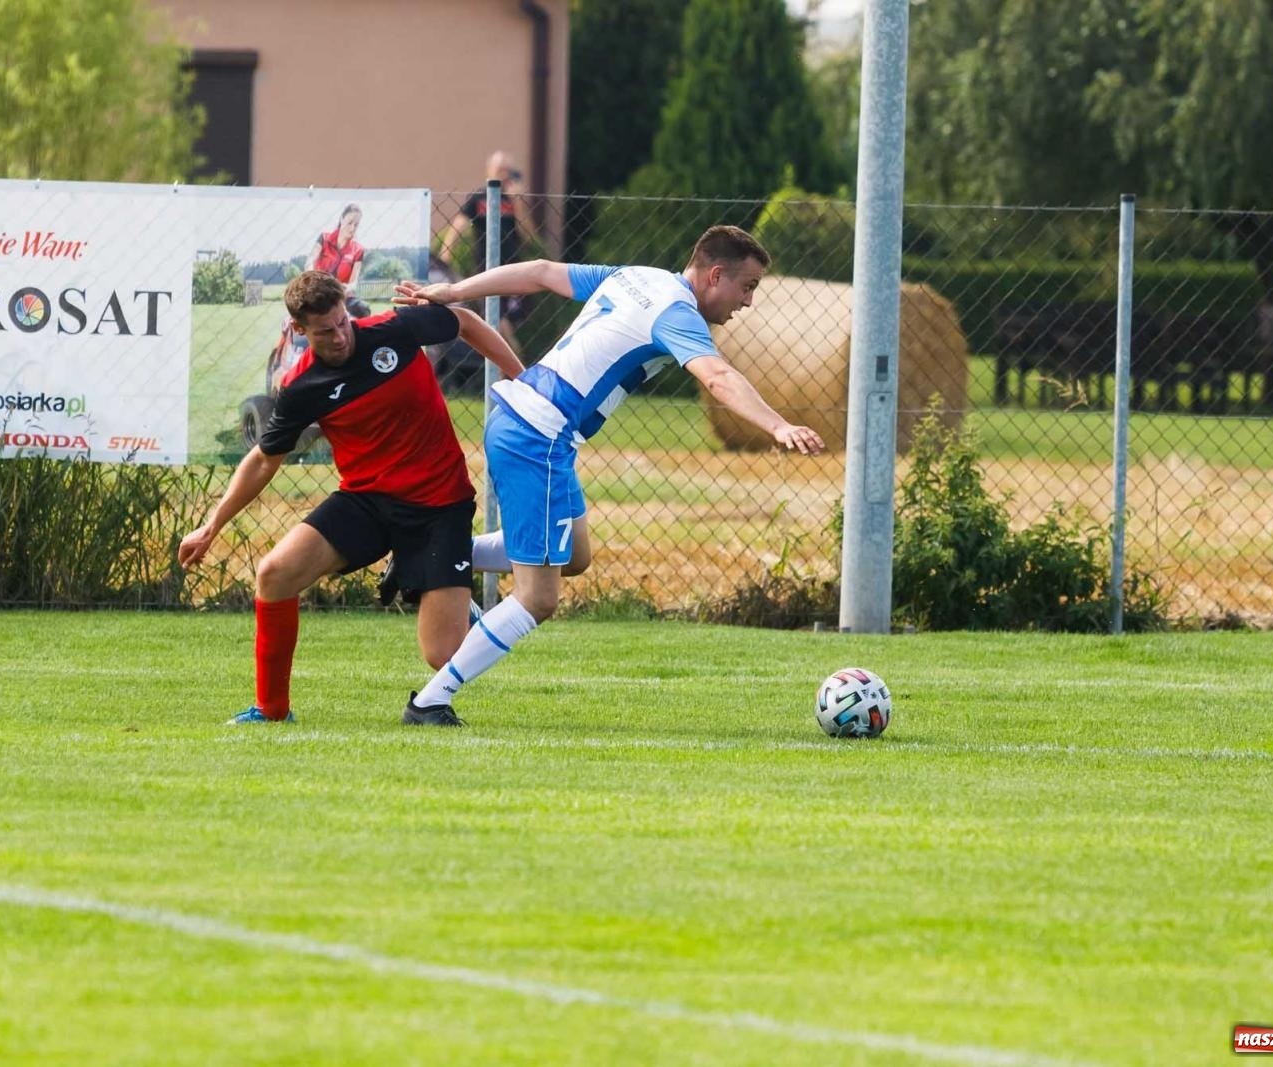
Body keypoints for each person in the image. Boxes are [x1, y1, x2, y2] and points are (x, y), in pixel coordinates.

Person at [392, 225, 825, 724]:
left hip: (527, 421)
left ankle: (436, 555)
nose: (747, 302)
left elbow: (539, 273)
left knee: (574, 555)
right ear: (715, 274)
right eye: (747, 287)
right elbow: (718, 376)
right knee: (538, 598)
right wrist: (777, 424)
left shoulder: (636, 277)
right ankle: (429, 702)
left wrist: (456, 289)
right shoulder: (676, 313)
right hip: (541, 435)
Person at [179, 270, 523, 725]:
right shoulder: (303, 388)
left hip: (439, 504)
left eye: (342, 322)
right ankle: (271, 711)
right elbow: (264, 459)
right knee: (275, 573)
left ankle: (452, 595)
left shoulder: (395, 331)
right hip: (367, 502)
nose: (340, 335)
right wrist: (213, 524)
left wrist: (523, 379)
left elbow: (463, 321)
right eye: (325, 330)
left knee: (444, 655)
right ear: (299, 331)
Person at [439, 151, 538, 353]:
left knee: (506, 317)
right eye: (499, 169)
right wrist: (446, 253)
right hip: (486, 264)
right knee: (494, 315)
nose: (503, 173)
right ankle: (514, 355)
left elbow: (529, 234)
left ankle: (506, 366)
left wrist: (518, 203)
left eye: (506, 169)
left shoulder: (514, 199)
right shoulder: (479, 197)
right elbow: (459, 224)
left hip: (514, 264)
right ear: (489, 170)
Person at [311, 203, 365, 290]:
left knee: (361, 304)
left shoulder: (359, 250)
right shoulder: (324, 238)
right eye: (350, 223)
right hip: (319, 290)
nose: (352, 228)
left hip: (341, 295)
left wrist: (347, 288)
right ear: (342, 219)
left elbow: (353, 283)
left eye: (356, 225)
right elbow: (310, 262)